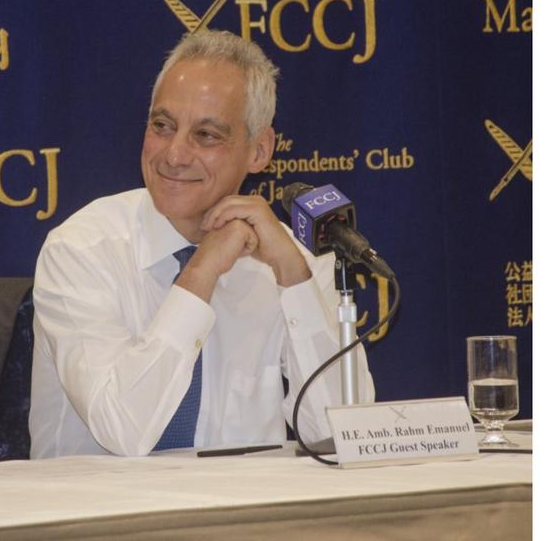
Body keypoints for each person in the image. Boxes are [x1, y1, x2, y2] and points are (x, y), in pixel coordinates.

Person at [29, 30, 374, 458]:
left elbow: (347, 433)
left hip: (242, 517)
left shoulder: (291, 256)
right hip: (100, 516)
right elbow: (122, 430)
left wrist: (295, 277)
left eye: (206, 135)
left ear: (259, 150)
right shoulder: (81, 250)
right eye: (162, 126)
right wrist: (201, 271)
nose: (174, 154)